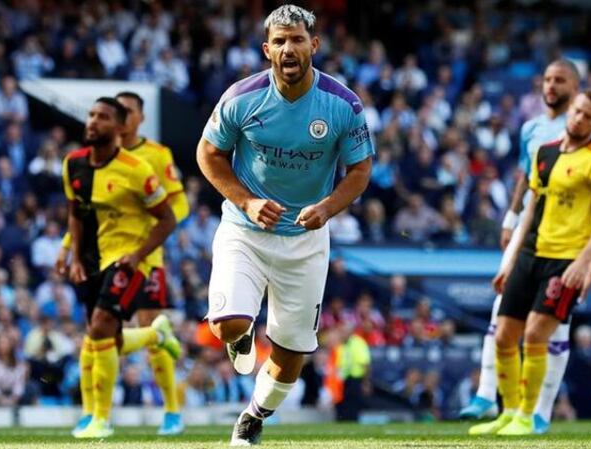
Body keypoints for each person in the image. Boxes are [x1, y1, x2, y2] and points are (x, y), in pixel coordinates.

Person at [196, 5, 373, 445]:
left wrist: (328, 208)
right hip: (246, 230)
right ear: (266, 49)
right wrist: (247, 201)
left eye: (296, 39)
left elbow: (360, 169)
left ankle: (254, 416)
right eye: (279, 41)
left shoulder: (342, 104)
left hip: (306, 238)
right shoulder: (241, 98)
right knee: (229, 324)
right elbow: (208, 154)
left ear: (314, 45)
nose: (288, 48)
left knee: (292, 354)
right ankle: (241, 339)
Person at [462, 59, 591, 434]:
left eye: (587, 116)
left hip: (566, 258)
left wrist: (588, 265)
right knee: (504, 332)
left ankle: (534, 414)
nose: (579, 119)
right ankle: (507, 411)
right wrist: (510, 249)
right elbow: (530, 201)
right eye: (577, 113)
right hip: (530, 250)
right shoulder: (541, 145)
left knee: (540, 335)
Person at [60, 97, 180, 438]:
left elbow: (168, 217)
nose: (93, 122)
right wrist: (71, 252)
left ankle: (101, 419)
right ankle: (157, 334)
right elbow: (76, 213)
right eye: (91, 115)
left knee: (99, 328)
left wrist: (140, 253)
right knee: (102, 338)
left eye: (103, 117)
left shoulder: (140, 167)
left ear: (121, 125)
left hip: (130, 258)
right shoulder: (72, 164)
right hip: (93, 260)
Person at [112, 91, 189, 435]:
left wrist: (162, 228)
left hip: (147, 254)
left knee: (142, 320)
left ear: (141, 118)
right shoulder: (101, 155)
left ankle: (172, 411)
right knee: (101, 330)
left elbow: (180, 203)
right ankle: (97, 413)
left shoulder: (157, 155)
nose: (121, 117)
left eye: (128, 111)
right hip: (107, 253)